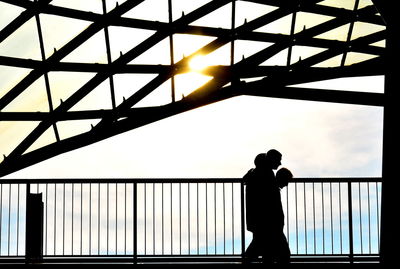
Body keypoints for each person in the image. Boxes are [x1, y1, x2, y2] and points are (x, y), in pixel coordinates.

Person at [244, 149, 283, 263]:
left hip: (258, 218)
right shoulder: (265, 174)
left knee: (260, 244)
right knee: (264, 247)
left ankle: (246, 261)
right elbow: (269, 199)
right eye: (278, 160)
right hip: (264, 219)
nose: (279, 163)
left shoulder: (257, 173)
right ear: (272, 159)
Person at [274, 167, 293, 264]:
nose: (286, 184)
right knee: (285, 254)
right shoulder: (273, 190)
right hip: (274, 228)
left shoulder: (273, 188)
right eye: (286, 181)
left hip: (274, 227)